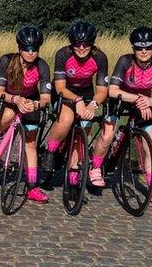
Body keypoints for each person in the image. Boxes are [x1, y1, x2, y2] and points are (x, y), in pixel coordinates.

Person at [0, 26, 52, 203]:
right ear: (19, 49)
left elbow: (46, 98)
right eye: (27, 49)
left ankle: (32, 187)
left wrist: (35, 104)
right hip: (10, 98)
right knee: (7, 116)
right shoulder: (7, 61)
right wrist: (15, 99)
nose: (31, 52)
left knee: (30, 143)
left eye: (34, 49)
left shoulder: (42, 66)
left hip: (31, 102)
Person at [40, 21, 110, 190]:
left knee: (84, 127)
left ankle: (73, 171)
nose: (81, 48)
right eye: (77, 44)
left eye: (86, 44)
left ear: (92, 43)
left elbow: (101, 90)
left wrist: (93, 104)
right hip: (64, 90)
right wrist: (77, 101)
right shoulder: (63, 54)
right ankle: (50, 151)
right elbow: (60, 87)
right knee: (66, 119)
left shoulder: (99, 57)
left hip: (86, 92)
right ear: (71, 44)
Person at [108, 26, 152, 205]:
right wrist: (138, 99)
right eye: (138, 47)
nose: (143, 51)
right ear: (133, 48)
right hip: (122, 98)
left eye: (147, 47)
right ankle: (96, 167)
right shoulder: (125, 61)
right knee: (106, 135)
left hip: (145, 103)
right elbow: (112, 91)